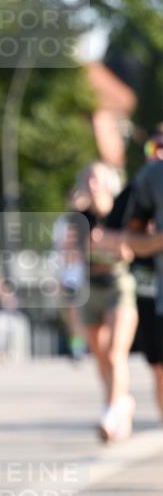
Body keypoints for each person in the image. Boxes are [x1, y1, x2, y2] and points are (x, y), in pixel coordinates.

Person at [93, 129, 163, 419]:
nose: (159, 153)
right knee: (158, 368)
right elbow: (114, 236)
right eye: (154, 147)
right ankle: (115, 404)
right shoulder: (148, 182)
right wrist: (154, 240)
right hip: (147, 291)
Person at [67, 161, 138, 441]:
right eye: (89, 179)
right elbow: (70, 255)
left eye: (98, 179)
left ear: (109, 184)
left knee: (115, 352)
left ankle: (110, 413)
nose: (93, 185)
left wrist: (108, 242)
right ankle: (121, 402)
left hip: (117, 284)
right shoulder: (79, 216)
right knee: (100, 356)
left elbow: (131, 251)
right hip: (89, 287)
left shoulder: (122, 211)